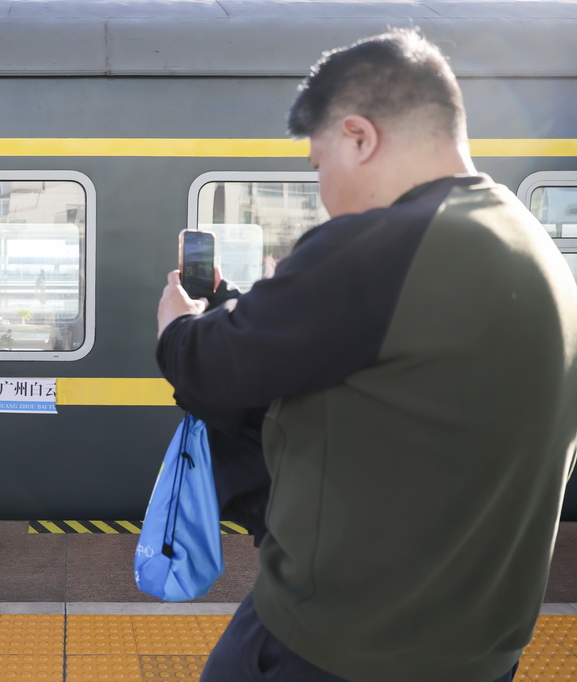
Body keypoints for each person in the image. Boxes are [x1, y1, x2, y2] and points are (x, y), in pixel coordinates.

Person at [156, 29, 577, 682]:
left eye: (319, 165)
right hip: (478, 656)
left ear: (359, 136)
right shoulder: (534, 247)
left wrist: (177, 325)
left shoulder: (386, 243)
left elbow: (208, 369)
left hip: (328, 648)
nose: (322, 192)